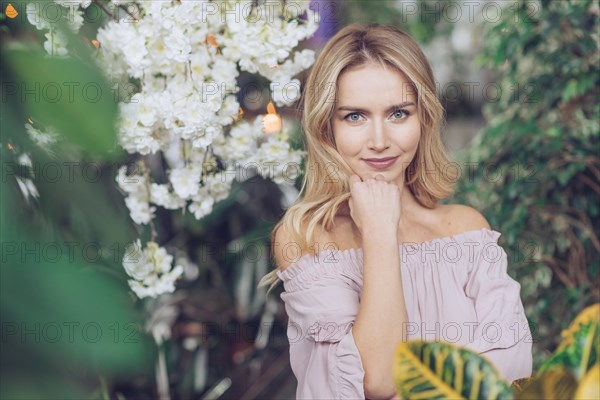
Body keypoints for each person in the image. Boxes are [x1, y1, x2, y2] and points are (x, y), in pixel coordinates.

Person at [258, 23, 533, 400]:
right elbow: (379, 379)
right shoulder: (306, 238)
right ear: (327, 127)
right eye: (355, 116)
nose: (379, 141)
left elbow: (512, 371)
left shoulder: (466, 230)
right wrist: (379, 235)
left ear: (424, 118)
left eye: (398, 113)